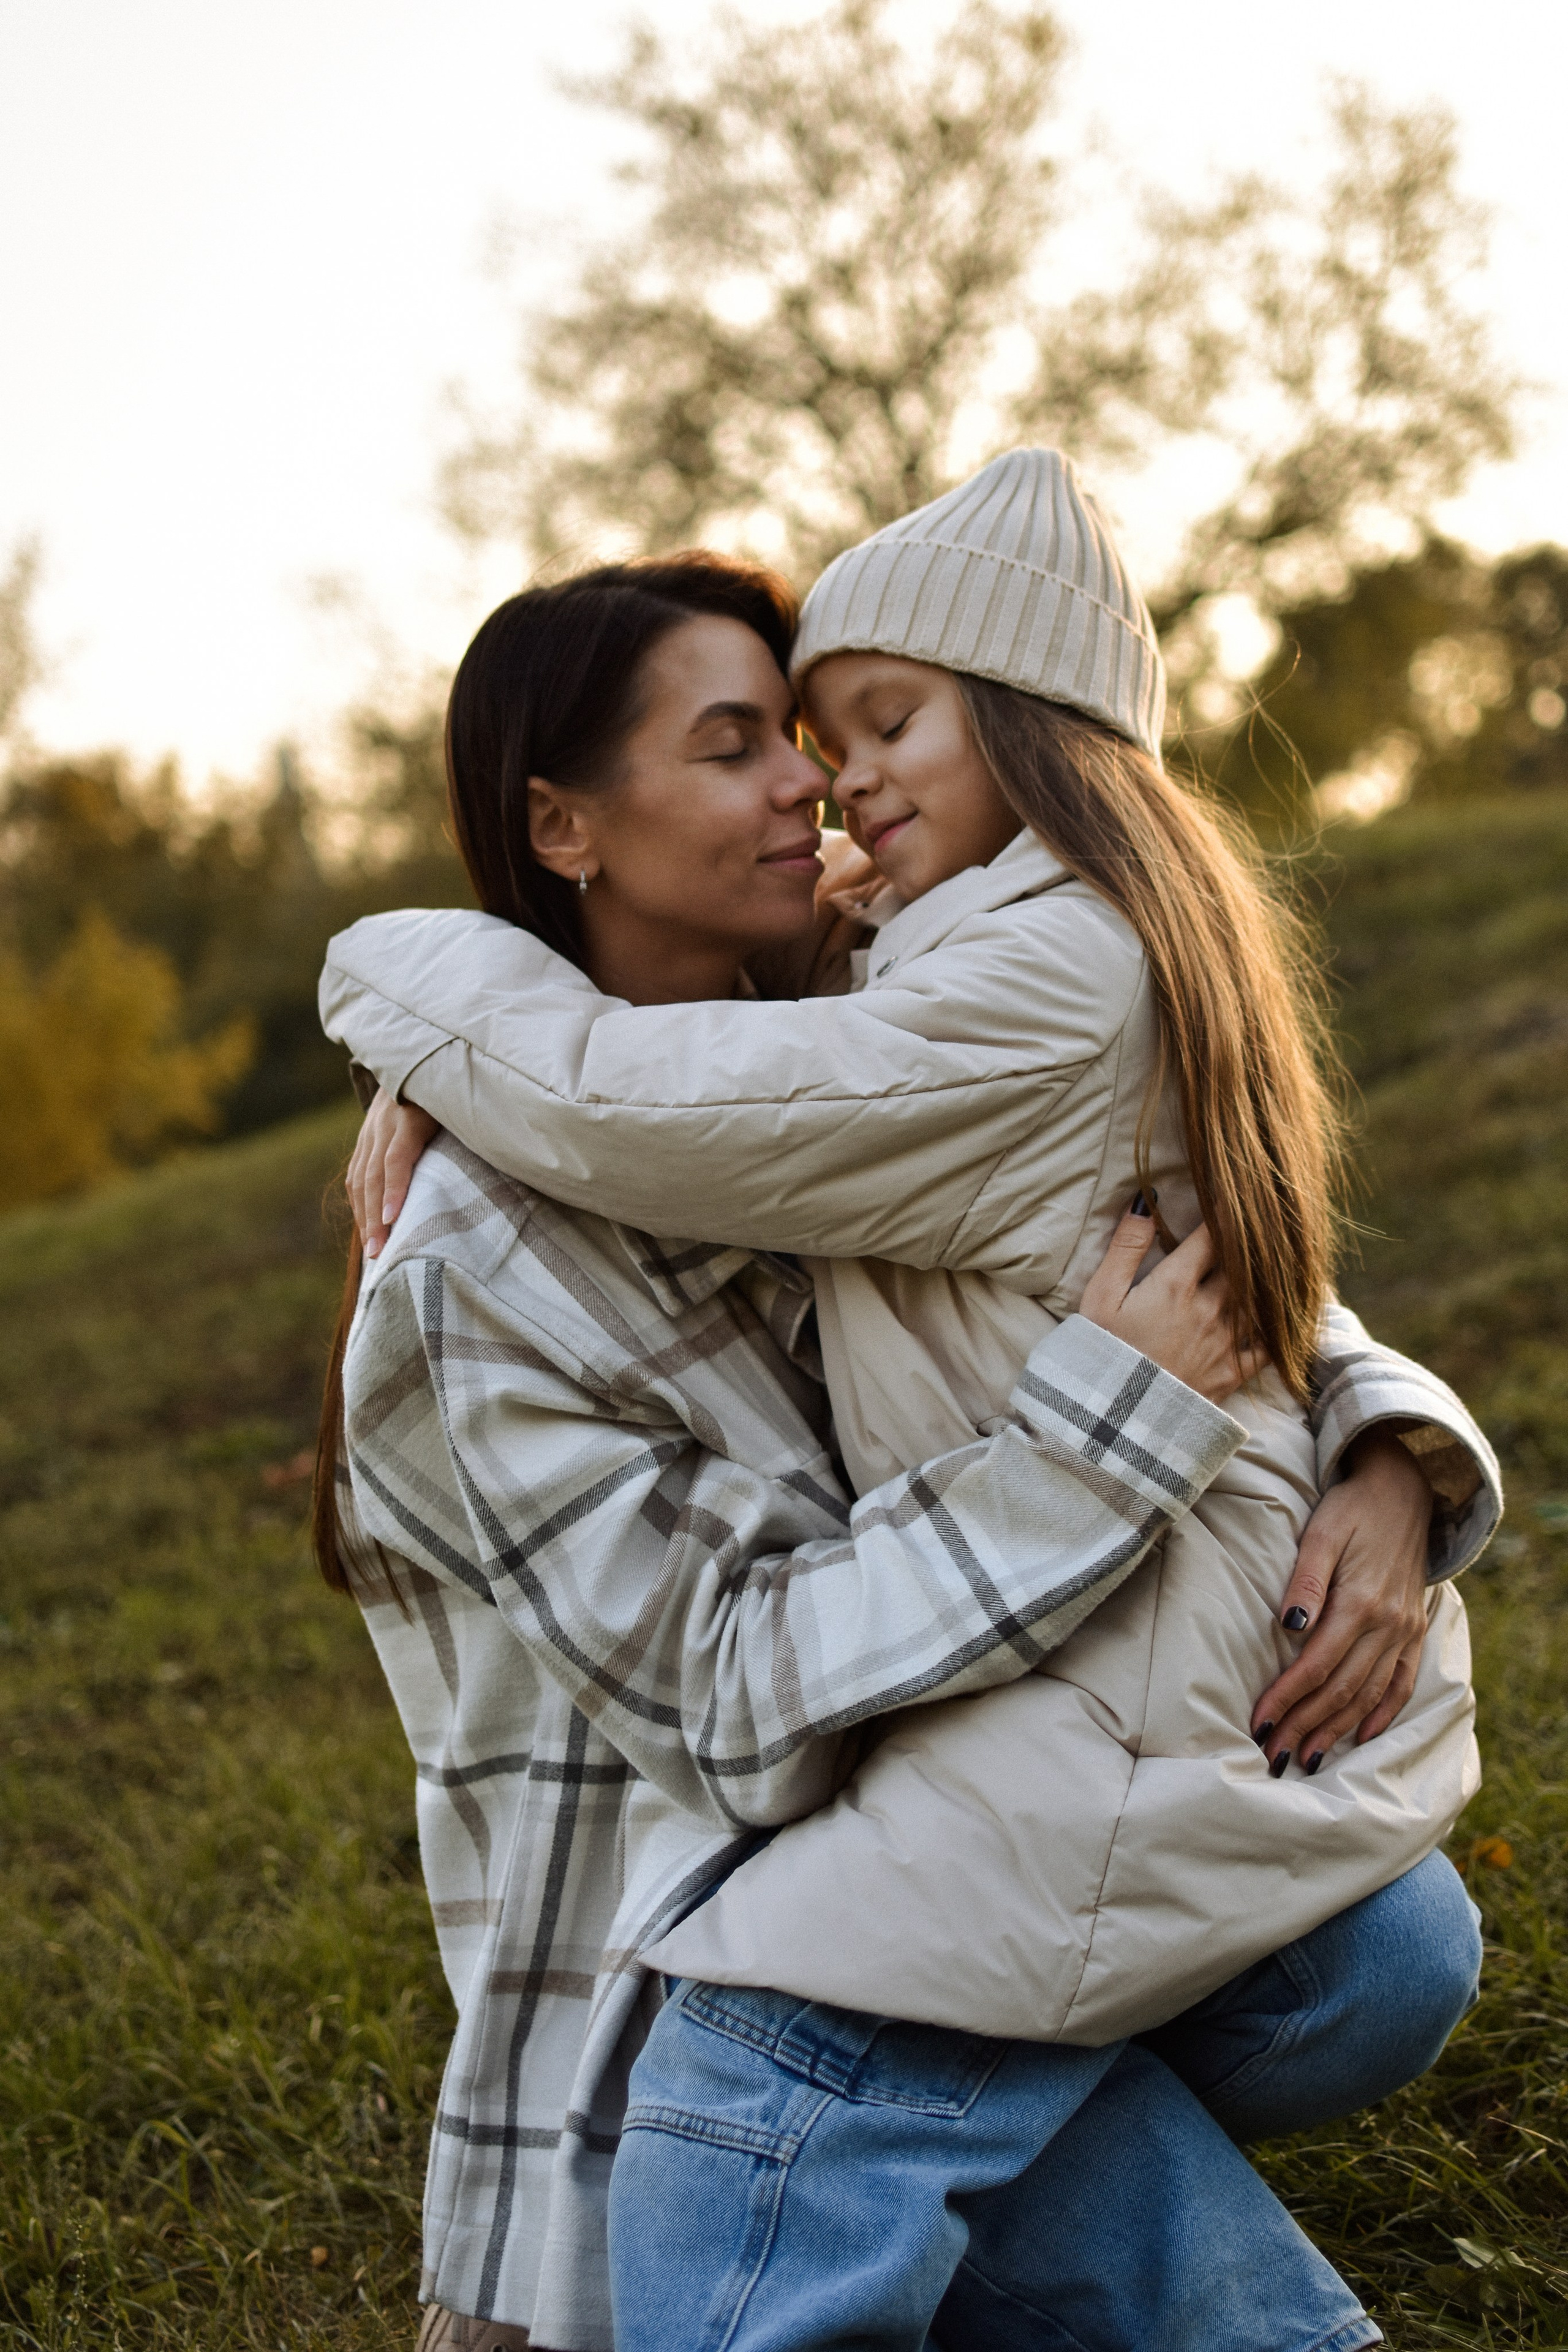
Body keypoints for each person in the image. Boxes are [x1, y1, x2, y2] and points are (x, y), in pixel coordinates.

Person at [319, 533, 1493, 2350]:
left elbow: (1168, 1214)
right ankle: (923, 2164)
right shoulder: (476, 1267)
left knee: (1383, 1947)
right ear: (567, 829)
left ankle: (986, 2127)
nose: (815, 781)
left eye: (819, 730)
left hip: (965, 1805)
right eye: (738, 747)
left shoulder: (852, 1021)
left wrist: (1384, 1455)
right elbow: (735, 1702)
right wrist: (1107, 1440)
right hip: (709, 1946)